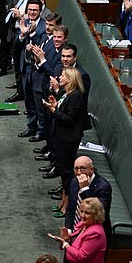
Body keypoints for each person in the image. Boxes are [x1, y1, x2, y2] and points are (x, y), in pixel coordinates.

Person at [42, 68, 87, 212]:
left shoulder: (76, 96)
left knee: (67, 172)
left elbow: (69, 119)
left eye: (63, 76)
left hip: (68, 139)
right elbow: (64, 111)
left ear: (70, 79)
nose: (60, 77)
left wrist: (54, 110)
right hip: (61, 136)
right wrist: (56, 105)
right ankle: (63, 201)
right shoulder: (67, 93)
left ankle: (67, 205)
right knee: (63, 170)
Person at [49, 197, 108, 263]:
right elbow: (75, 243)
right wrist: (67, 239)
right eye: (81, 211)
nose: (83, 216)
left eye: (87, 213)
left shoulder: (96, 233)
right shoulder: (83, 225)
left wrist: (65, 245)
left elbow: (81, 256)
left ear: (96, 215)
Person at [15, 0, 46, 138]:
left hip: (37, 69)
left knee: (37, 100)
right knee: (28, 99)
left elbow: (42, 45)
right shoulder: (25, 23)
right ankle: (31, 126)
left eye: (35, 10)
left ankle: (40, 130)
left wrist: (31, 34)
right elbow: (16, 45)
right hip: (26, 66)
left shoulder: (44, 26)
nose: (32, 12)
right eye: (30, 9)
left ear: (40, 11)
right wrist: (22, 35)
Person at [64, 156, 112, 242]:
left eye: (83, 168)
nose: (79, 173)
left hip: (94, 236)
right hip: (75, 233)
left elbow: (97, 211)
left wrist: (85, 189)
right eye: (76, 169)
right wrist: (68, 229)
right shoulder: (74, 182)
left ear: (92, 169)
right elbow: (70, 209)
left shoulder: (103, 187)